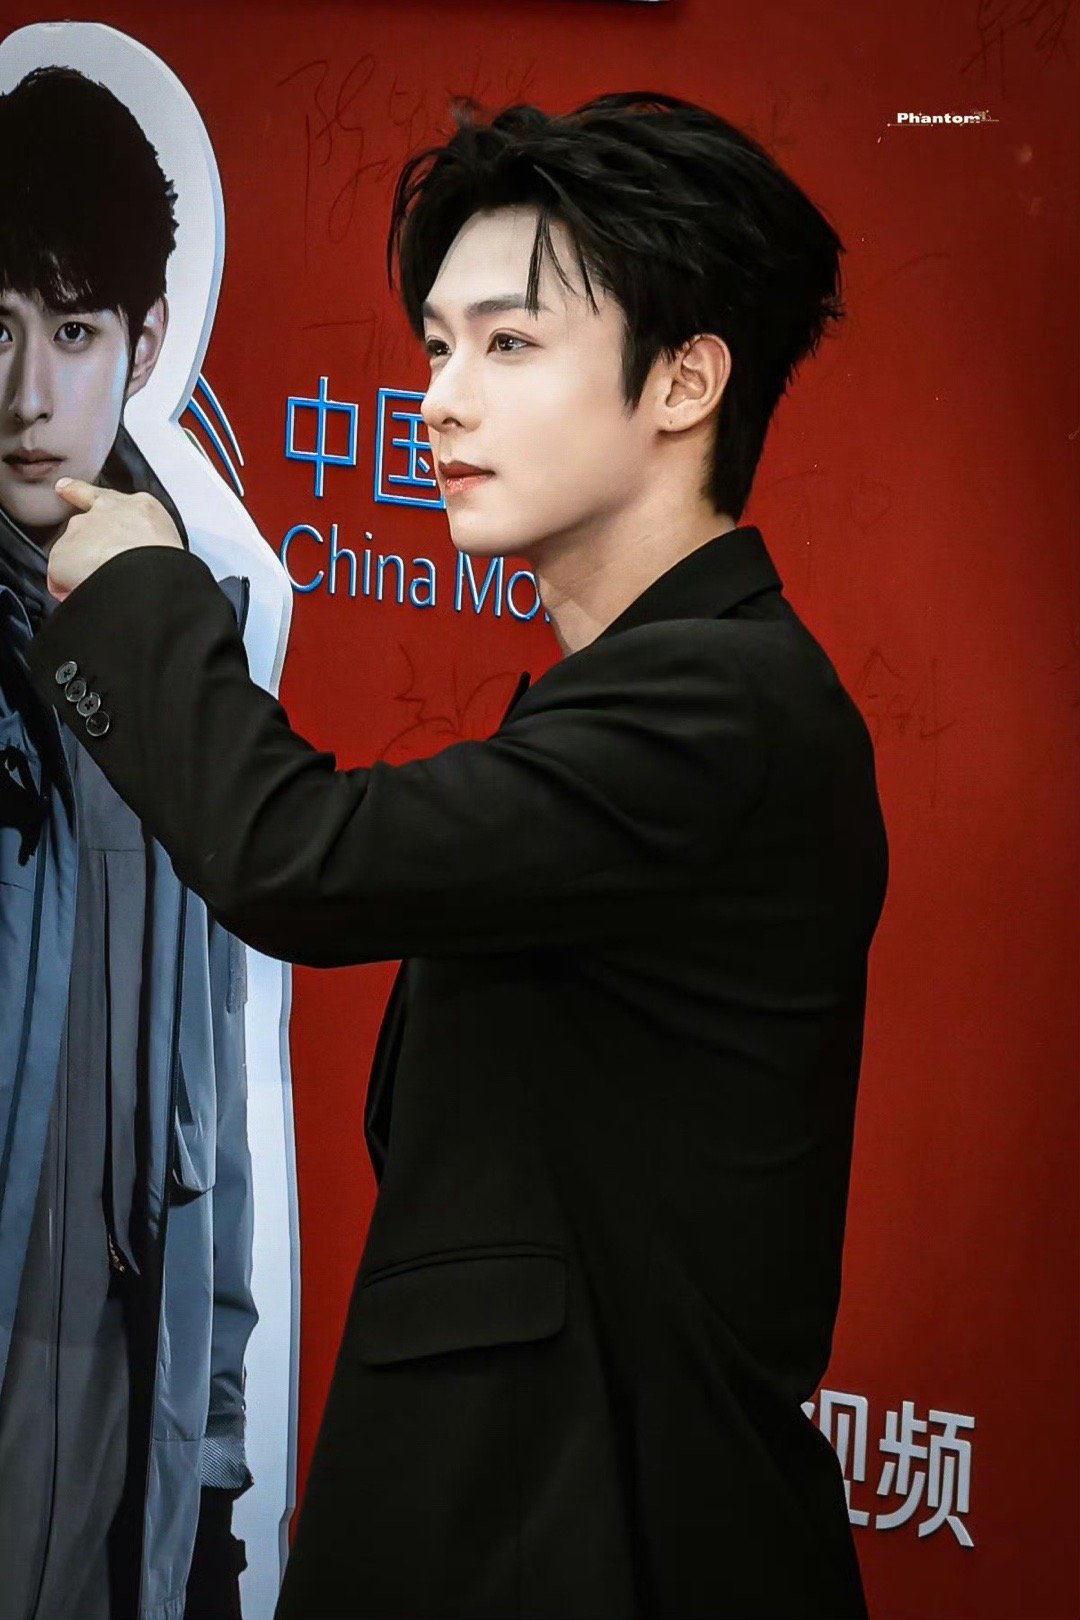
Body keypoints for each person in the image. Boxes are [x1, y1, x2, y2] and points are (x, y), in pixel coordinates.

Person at [30, 91, 889, 1619]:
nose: (440, 401)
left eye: (509, 346)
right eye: (436, 347)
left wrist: (143, 596)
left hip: (603, 1546)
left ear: (686, 381)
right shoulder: (646, 692)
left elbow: (298, 855)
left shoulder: (723, 702)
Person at [0, 66, 254, 1620]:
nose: (25, 393)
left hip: (112, 1404)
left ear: (147, 345)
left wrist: (212, 1470)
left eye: (74, 332)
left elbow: (209, 1101)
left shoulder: (184, 647)